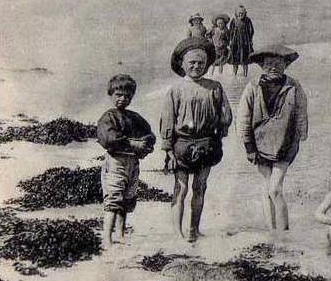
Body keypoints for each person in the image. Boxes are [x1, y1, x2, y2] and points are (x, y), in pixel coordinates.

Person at [160, 37, 232, 243]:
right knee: (180, 188)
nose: (196, 66)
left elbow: (225, 113)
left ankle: (194, 229)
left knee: (200, 187)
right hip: (181, 144)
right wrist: (168, 149)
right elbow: (167, 120)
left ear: (207, 65)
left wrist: (221, 131)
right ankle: (177, 232)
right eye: (191, 63)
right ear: (182, 65)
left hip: (207, 143)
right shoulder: (175, 90)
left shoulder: (214, 87)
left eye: (201, 63)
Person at [238, 45, 308, 233]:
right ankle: (272, 232)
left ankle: (284, 232)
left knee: (275, 188)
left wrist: (302, 133)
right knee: (266, 188)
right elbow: (243, 118)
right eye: (269, 64)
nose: (273, 67)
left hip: (286, 144)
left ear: (286, 64)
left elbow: (301, 111)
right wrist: (248, 146)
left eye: (278, 63)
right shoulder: (252, 87)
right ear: (261, 65)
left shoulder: (294, 86)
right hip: (259, 145)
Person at [96, 74, 155, 248]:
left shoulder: (135, 117)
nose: (123, 99)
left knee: (128, 197)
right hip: (115, 161)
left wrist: (145, 144)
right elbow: (107, 138)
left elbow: (149, 134)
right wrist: (131, 142)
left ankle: (120, 233)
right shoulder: (108, 117)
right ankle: (106, 236)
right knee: (113, 197)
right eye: (118, 95)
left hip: (133, 163)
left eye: (127, 96)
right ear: (110, 94)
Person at [227, 5, 255, 78]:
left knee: (245, 59)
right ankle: (234, 74)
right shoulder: (233, 20)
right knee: (235, 59)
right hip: (235, 42)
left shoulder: (248, 20)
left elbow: (251, 31)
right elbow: (231, 31)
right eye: (239, 13)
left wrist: (250, 40)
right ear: (236, 13)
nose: (240, 15)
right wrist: (230, 40)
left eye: (242, 13)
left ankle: (245, 74)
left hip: (245, 42)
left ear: (245, 13)